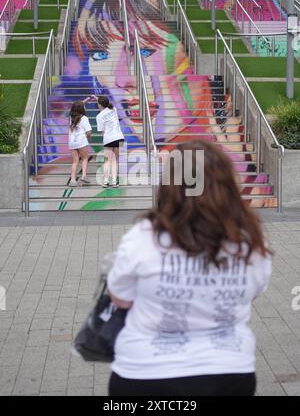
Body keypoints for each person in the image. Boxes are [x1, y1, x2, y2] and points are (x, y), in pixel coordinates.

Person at [106, 139, 272, 396]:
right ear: (226, 183)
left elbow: (120, 298)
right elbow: (255, 290)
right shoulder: (249, 239)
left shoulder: (143, 236)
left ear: (170, 183)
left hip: (145, 372)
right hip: (229, 372)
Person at [96, 95, 125, 188]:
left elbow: (102, 131)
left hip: (108, 139)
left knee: (107, 161)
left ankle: (105, 181)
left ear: (99, 104)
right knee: (115, 161)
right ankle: (114, 182)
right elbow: (106, 103)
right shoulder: (114, 109)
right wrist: (98, 99)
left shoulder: (99, 116)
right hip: (118, 137)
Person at [68, 100, 92, 187]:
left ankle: (73, 180)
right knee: (85, 158)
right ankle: (84, 176)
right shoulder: (84, 119)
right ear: (82, 109)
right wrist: (89, 137)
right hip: (81, 141)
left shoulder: (71, 118)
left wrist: (85, 100)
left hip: (72, 142)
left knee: (75, 161)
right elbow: (89, 132)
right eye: (84, 106)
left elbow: (77, 104)